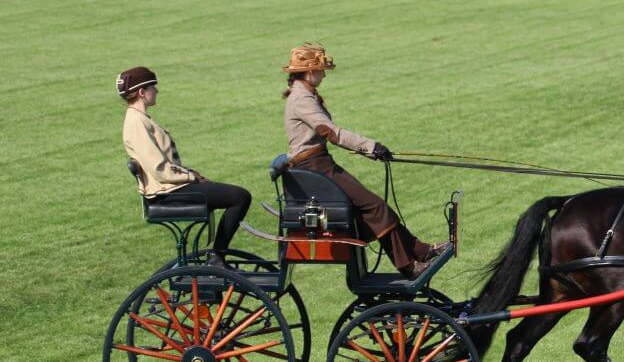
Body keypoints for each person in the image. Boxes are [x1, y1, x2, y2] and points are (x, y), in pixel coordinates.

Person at [281, 44, 448, 279]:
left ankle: (420, 251)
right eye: (321, 70)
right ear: (309, 71)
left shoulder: (303, 94)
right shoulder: (302, 99)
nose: (324, 74)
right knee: (376, 207)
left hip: (320, 164)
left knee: (375, 207)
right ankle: (408, 267)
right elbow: (332, 133)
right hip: (315, 168)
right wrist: (370, 147)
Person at [119, 66, 251, 267]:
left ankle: (217, 255)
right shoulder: (137, 122)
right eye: (153, 87)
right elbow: (160, 169)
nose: (157, 91)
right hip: (167, 191)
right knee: (240, 197)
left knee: (230, 193)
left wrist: (192, 175)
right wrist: (192, 177)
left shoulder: (139, 119)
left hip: (170, 186)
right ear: (141, 92)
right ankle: (217, 256)